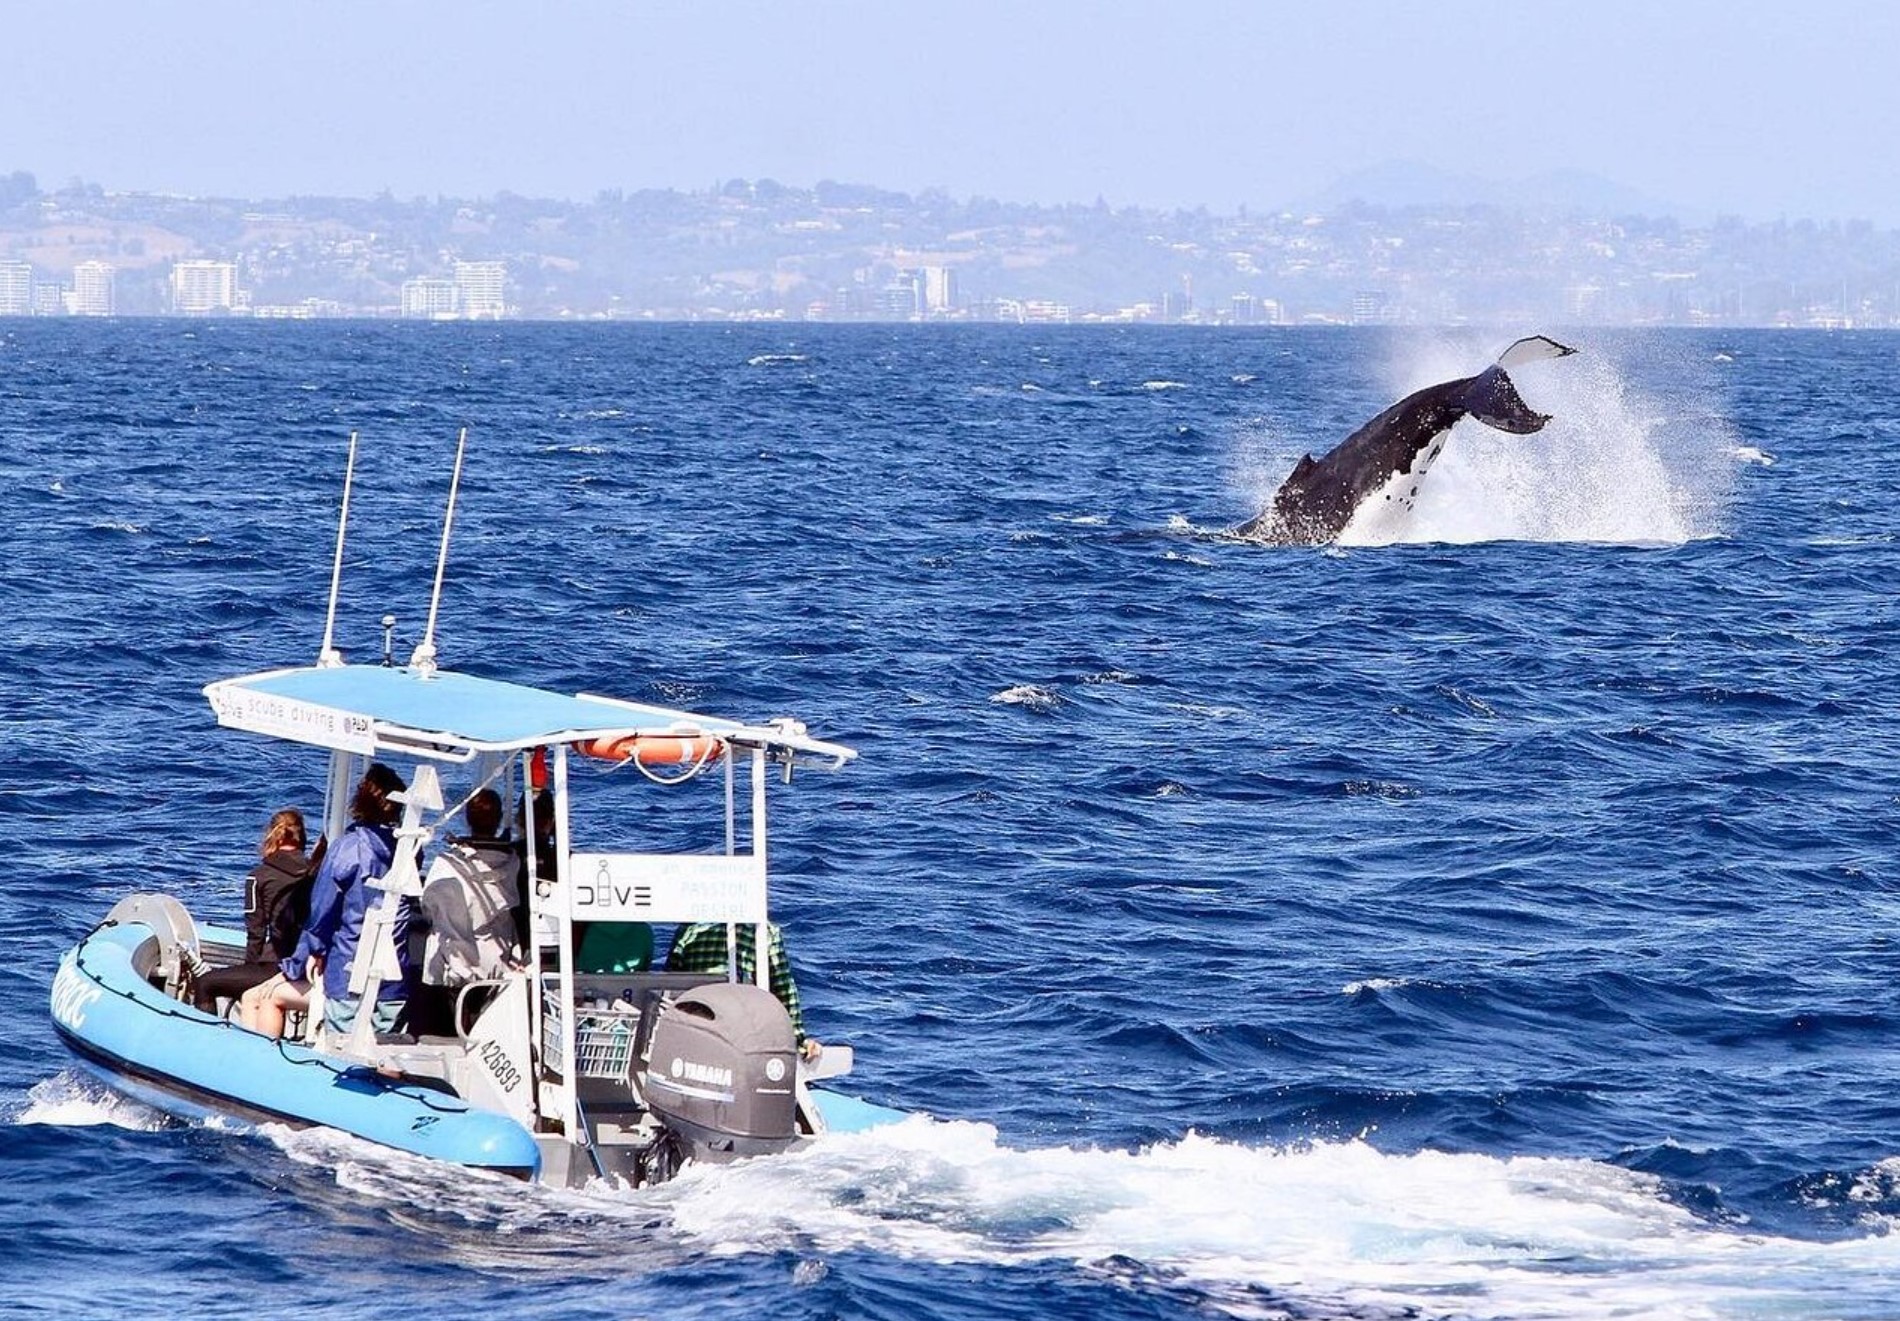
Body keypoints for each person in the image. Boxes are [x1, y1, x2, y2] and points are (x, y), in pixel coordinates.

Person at [245, 763, 411, 1039]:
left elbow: (320, 917)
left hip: (348, 971)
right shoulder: (406, 850)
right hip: (394, 974)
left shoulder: (347, 850)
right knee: (386, 1051)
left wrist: (293, 967)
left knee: (343, 1048)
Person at [410, 788, 521, 1036]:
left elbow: (429, 905)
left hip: (456, 964)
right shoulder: (512, 863)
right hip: (497, 962)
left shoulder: (446, 865)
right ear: (499, 819)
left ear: (468, 819)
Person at [192, 809, 319, 1014]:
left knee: (205, 983)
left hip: (276, 964)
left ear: (271, 836)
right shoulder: (316, 873)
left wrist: (249, 972)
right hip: (311, 963)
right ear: (302, 836)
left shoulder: (258, 877)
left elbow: (256, 933)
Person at [666, 921, 823, 1062]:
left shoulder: (688, 930)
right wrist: (799, 1041)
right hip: (742, 1033)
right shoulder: (763, 932)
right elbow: (784, 991)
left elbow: (670, 985)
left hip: (693, 1029)